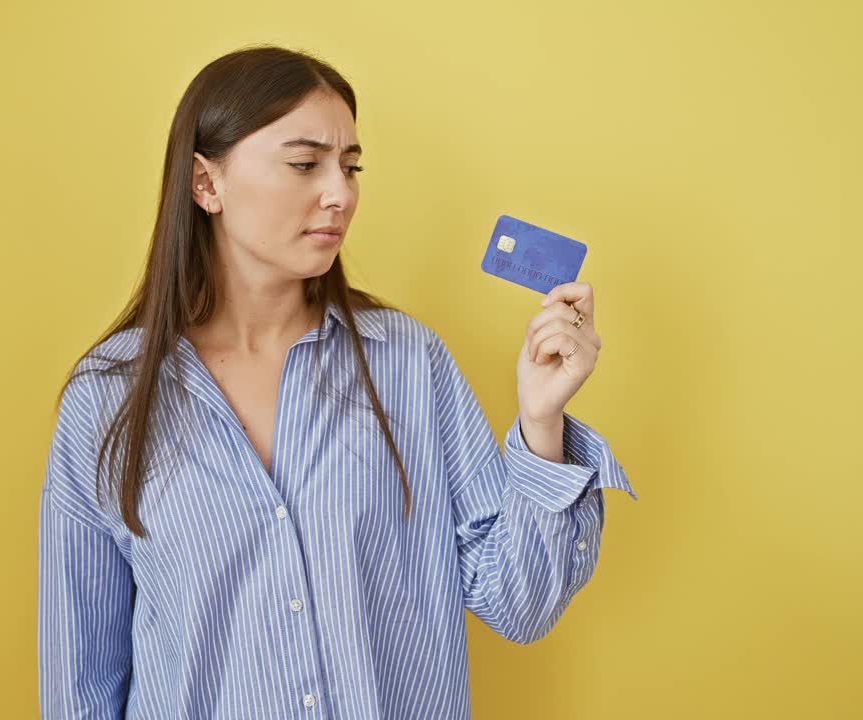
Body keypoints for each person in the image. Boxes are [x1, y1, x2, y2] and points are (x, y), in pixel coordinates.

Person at [37, 43, 638, 719]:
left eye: (350, 168)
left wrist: (541, 422)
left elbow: (518, 604)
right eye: (304, 164)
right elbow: (80, 684)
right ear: (206, 184)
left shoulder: (408, 363)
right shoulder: (107, 398)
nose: (340, 194)